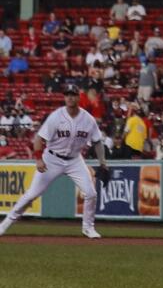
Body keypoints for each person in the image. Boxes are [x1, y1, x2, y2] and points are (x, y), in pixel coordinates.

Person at [0, 83, 108, 239]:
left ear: (78, 97)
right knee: (31, 195)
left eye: (73, 94)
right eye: (67, 94)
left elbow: (97, 141)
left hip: (75, 160)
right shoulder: (56, 116)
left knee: (91, 193)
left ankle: (88, 228)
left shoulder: (88, 119)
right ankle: (4, 225)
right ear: (64, 97)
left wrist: (103, 162)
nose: (70, 97)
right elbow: (38, 139)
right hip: (52, 159)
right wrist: (38, 159)